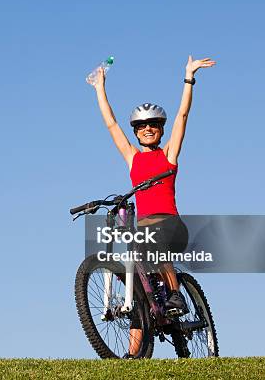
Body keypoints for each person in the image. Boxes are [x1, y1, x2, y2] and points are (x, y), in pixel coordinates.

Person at [87, 55, 216, 355]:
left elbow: (183, 116)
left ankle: (175, 294)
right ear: (136, 131)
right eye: (142, 126)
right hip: (145, 231)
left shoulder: (168, 155)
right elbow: (110, 124)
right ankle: (133, 356)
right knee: (137, 285)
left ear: (160, 129)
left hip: (170, 225)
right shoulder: (133, 157)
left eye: (154, 125)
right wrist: (99, 87)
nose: (147, 129)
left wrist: (188, 77)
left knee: (153, 242)